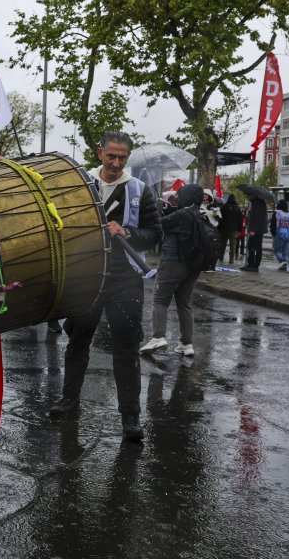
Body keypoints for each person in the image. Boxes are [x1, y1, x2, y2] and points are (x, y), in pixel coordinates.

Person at [47, 131, 162, 442]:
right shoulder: (80, 182)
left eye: (122, 157)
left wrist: (126, 232)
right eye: (111, 156)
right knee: (78, 342)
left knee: (126, 348)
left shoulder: (139, 190)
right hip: (86, 276)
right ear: (100, 153)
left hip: (126, 279)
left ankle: (130, 418)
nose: (116, 162)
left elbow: (154, 233)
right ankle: (69, 402)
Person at [140, 184, 204, 357]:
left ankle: (158, 337)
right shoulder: (199, 213)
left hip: (173, 262)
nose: (178, 196)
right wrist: (170, 210)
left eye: (180, 194)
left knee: (160, 300)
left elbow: (159, 225)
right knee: (184, 303)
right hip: (193, 266)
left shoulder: (183, 214)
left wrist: (159, 208)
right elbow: (175, 223)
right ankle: (186, 343)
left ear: (187, 196)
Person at [241, 191, 268, 272]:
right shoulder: (256, 203)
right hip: (257, 229)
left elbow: (258, 218)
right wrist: (250, 212)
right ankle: (251, 264)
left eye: (248, 195)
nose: (247, 197)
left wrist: (254, 230)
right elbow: (255, 216)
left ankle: (255, 266)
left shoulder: (258, 204)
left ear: (253, 195)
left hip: (257, 230)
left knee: (256, 247)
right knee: (251, 246)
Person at [270, 199, 289, 271]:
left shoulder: (277, 213)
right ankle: (284, 266)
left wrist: (274, 233)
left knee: (277, 251)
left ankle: (283, 262)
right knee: (285, 252)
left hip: (279, 234)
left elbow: (272, 224)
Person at [200, 189, 222, 271]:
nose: (204, 196)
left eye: (206, 194)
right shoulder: (199, 204)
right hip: (202, 230)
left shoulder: (213, 206)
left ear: (209, 196)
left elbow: (219, 218)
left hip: (212, 231)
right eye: (203, 194)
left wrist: (215, 214)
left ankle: (211, 265)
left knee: (212, 249)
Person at [218, 194, 243, 265]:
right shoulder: (238, 208)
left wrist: (219, 228)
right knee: (233, 245)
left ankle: (220, 257)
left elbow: (220, 218)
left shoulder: (224, 207)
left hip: (224, 229)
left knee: (223, 244)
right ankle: (231, 259)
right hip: (234, 230)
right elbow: (240, 220)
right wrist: (240, 230)